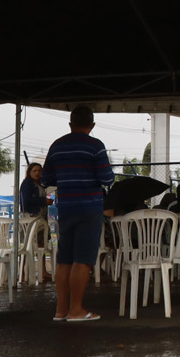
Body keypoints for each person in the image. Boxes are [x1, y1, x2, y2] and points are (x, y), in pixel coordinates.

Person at [45, 107, 114, 323]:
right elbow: (107, 178)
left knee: (65, 259)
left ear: (70, 123)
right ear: (92, 125)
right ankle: (76, 309)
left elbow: (47, 178)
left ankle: (60, 310)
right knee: (82, 259)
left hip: (65, 207)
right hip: (89, 207)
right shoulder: (95, 146)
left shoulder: (57, 146)